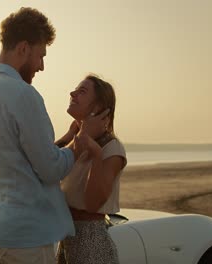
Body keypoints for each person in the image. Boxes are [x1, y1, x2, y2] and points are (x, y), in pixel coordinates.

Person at [0, 7, 108, 264]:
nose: (41, 66)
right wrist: (81, 141)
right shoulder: (23, 94)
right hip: (26, 235)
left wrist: (66, 139)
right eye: (40, 55)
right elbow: (50, 169)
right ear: (23, 48)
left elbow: (21, 158)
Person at [55, 75, 127, 264]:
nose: (72, 93)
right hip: (66, 240)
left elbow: (94, 203)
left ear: (97, 106)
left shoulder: (112, 148)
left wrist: (96, 154)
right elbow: (47, 166)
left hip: (90, 242)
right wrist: (71, 134)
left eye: (82, 91)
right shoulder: (74, 143)